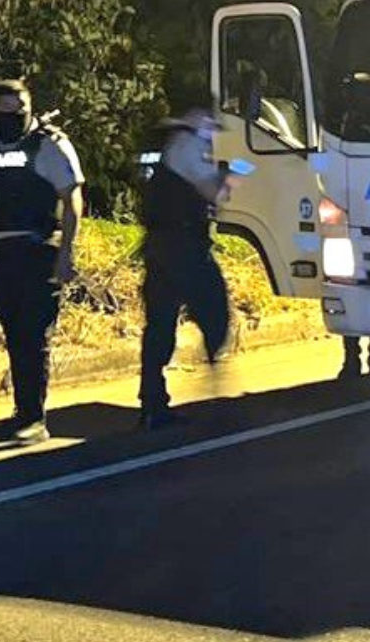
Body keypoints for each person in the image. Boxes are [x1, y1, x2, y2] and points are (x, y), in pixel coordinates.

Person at [0, 79, 84, 446]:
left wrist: (67, 252)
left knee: (34, 336)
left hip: (40, 250)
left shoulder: (48, 144)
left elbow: (71, 199)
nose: (12, 117)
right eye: (4, 110)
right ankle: (22, 413)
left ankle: (34, 420)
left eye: (19, 110)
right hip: (2, 252)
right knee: (14, 335)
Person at [138, 103, 238, 431]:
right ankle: (215, 392)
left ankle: (152, 401)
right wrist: (234, 173)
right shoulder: (188, 145)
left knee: (160, 323)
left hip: (159, 246)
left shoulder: (167, 142)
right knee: (215, 310)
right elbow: (214, 191)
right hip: (184, 247)